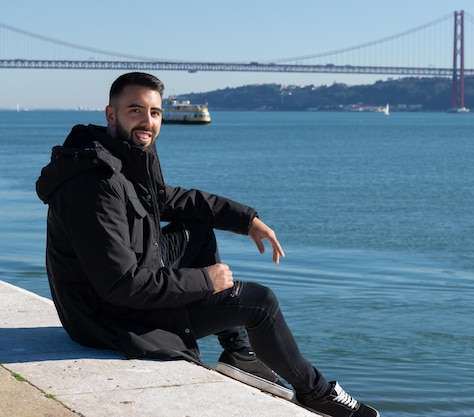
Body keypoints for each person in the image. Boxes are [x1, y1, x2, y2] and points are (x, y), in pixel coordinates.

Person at [36, 72, 379, 417]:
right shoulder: (95, 184)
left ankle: (239, 354)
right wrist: (206, 281)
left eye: (154, 113)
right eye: (135, 110)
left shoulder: (124, 158)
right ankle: (315, 392)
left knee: (198, 230)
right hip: (107, 320)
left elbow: (172, 199)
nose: (147, 121)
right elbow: (120, 284)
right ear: (111, 115)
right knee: (260, 303)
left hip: (112, 297)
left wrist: (247, 220)